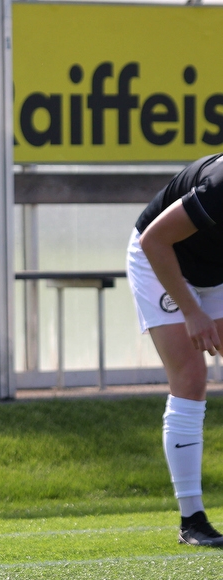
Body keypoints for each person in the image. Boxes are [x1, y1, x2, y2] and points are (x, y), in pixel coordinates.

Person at [127, 152, 223, 547]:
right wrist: (192, 312)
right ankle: (192, 519)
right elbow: (155, 240)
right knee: (191, 376)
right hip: (160, 261)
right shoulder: (220, 184)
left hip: (215, 270)